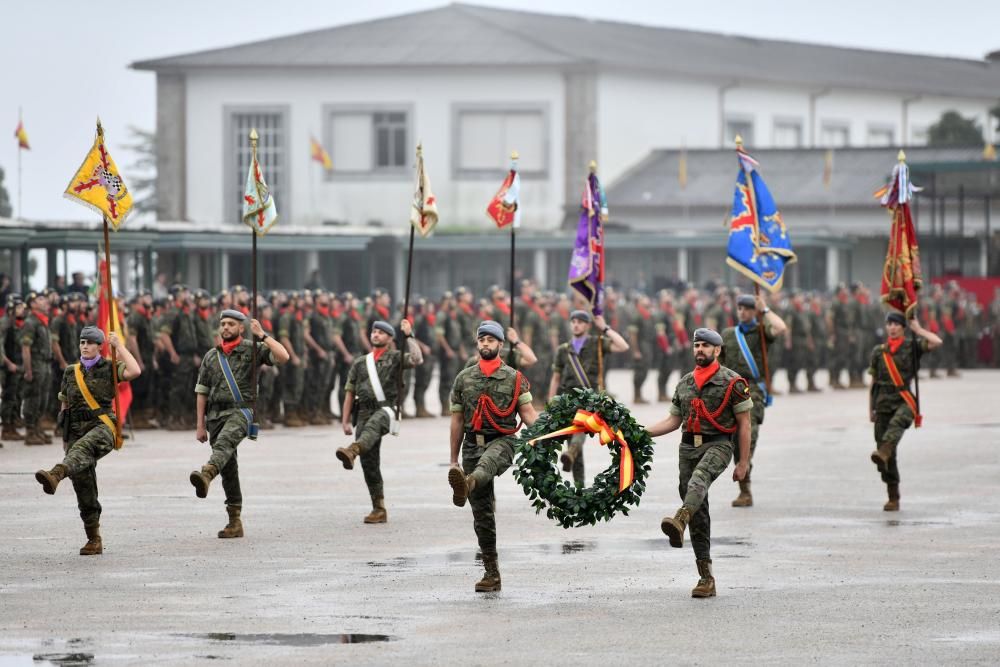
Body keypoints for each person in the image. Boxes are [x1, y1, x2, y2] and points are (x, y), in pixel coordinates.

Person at [645, 328, 752, 598]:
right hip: (687, 447)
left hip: (718, 443)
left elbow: (745, 425)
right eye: (697, 345)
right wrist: (641, 432)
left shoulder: (733, 382)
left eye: (706, 346)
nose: (700, 350)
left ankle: (680, 518)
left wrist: (743, 463)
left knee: (698, 481)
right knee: (699, 511)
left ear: (717, 350)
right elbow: (673, 420)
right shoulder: (684, 384)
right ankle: (706, 578)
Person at [447, 321, 538, 592]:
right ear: (477, 344)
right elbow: (457, 421)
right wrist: (453, 460)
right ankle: (491, 574)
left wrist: (549, 434)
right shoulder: (464, 378)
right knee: (482, 515)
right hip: (472, 445)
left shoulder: (514, 378)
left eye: (491, 340)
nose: (485, 344)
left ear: (500, 345)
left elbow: (529, 415)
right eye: (482, 339)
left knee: (487, 465)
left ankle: (469, 482)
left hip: (503, 441)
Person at [34, 326, 140, 555]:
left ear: (99, 346)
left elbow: (135, 371)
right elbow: (65, 405)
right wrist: (64, 434)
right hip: (75, 430)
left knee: (83, 448)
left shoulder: (109, 368)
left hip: (103, 427)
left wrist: (119, 346)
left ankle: (56, 473)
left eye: (91, 342)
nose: (85, 346)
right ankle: (94, 538)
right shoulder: (71, 372)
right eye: (82, 342)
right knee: (84, 483)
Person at [189, 310, 289, 537]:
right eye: (223, 324)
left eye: (231, 324)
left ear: (241, 328)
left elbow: (283, 357)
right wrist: (200, 425)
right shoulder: (211, 356)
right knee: (228, 468)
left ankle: (206, 473)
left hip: (242, 412)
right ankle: (234, 521)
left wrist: (262, 335)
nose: (225, 327)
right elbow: (201, 392)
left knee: (224, 445)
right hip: (215, 416)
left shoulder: (252, 349)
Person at [335, 319, 423, 523]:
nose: (376, 335)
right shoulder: (360, 362)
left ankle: (352, 450)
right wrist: (345, 420)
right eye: (374, 331)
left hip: (387, 409)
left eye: (381, 333)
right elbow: (349, 392)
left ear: (390, 338)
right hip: (363, 412)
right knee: (370, 463)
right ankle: (379, 508)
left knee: (374, 426)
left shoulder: (395, 357)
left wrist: (409, 335)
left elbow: (417, 359)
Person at [719, 292, 787, 507]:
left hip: (753, 390)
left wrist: (765, 309)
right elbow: (718, 365)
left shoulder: (761, 331)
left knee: (749, 437)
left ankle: (745, 488)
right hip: (730, 390)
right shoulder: (728, 334)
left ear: (754, 311)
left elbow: (780, 327)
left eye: (747, 308)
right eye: (740, 308)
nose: (742, 312)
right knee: (735, 444)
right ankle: (744, 489)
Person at [868, 312, 942, 511]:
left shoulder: (912, 346)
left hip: (905, 400)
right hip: (882, 402)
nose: (892, 327)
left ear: (903, 327)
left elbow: (936, 342)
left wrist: (918, 329)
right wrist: (870, 408)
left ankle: (884, 450)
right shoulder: (878, 351)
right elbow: (873, 382)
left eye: (896, 324)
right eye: (889, 324)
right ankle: (893, 496)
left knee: (894, 428)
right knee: (886, 457)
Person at [547, 310, 629, 484]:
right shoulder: (563, 350)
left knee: (580, 428)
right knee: (572, 440)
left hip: (589, 400)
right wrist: (550, 402)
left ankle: (572, 455)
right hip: (567, 400)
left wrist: (605, 328)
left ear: (587, 325)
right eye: (573, 321)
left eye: (580, 322)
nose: (576, 324)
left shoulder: (597, 344)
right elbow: (555, 378)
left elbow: (623, 346)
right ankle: (579, 484)